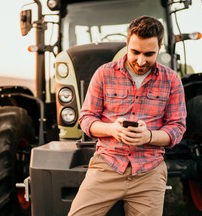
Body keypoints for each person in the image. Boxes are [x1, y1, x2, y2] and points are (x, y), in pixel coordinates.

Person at [68, 15, 187, 216]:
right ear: (127, 43)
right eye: (135, 52)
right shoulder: (104, 74)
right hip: (107, 165)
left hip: (149, 171)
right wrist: (112, 129)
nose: (141, 61)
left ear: (159, 47)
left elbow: (177, 128)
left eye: (149, 54)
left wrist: (148, 136)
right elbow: (86, 118)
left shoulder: (172, 80)